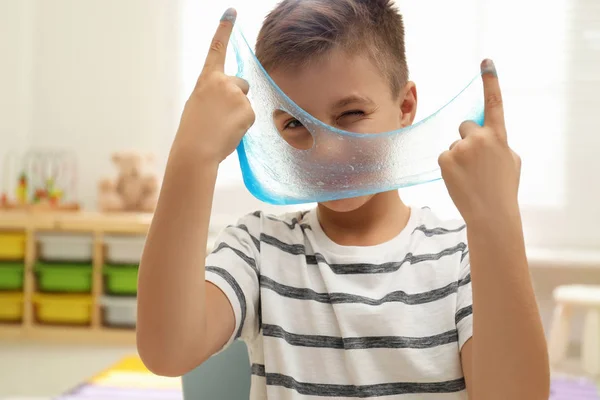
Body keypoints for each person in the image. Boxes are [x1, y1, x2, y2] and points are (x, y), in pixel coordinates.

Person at [137, 1, 550, 399]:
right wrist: (192, 157)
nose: (325, 151)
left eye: (350, 114)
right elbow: (168, 351)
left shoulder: (462, 255)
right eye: (295, 123)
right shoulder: (259, 246)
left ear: (405, 107)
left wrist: (496, 219)